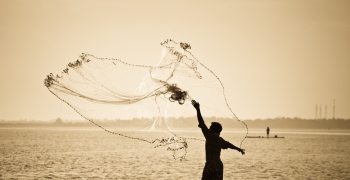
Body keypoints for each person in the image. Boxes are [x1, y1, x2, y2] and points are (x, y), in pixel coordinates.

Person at [191, 100, 245, 180]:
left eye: (209, 128)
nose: (208, 129)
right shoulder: (220, 140)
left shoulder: (209, 135)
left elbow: (201, 123)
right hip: (219, 165)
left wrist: (198, 109)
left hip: (210, 165)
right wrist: (238, 149)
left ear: (212, 130)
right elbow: (229, 144)